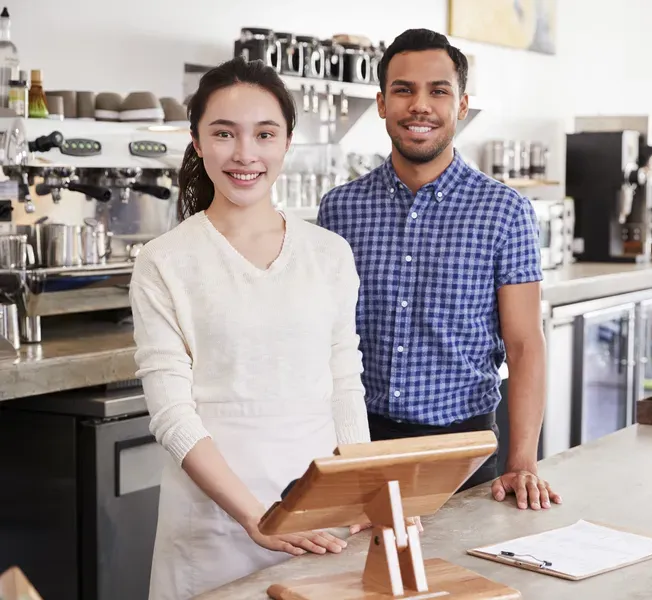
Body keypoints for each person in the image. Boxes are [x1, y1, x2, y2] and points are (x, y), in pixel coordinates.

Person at [129, 57, 370, 600]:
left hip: (319, 517)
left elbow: (344, 382)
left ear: (287, 142)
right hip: (212, 528)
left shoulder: (329, 254)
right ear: (196, 142)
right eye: (223, 133)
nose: (245, 154)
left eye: (265, 134)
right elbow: (171, 413)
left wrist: (364, 492)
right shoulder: (165, 261)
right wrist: (254, 514)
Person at [318, 29, 561, 513]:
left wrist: (523, 462)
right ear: (382, 103)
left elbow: (524, 342)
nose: (420, 105)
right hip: (359, 440)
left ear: (462, 104)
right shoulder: (339, 209)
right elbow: (322, 336)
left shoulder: (504, 211)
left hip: (465, 450)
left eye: (439, 90)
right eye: (404, 90)